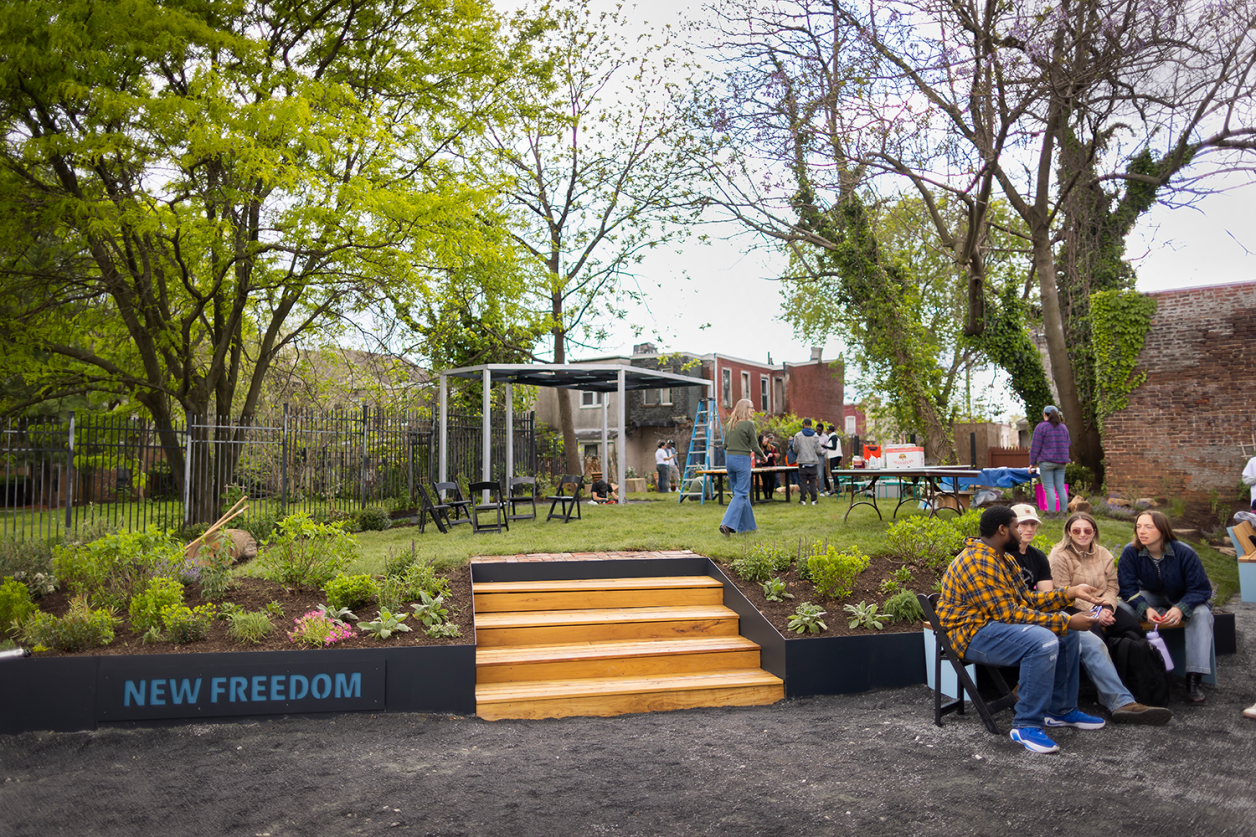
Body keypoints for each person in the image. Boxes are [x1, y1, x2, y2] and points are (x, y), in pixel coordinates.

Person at [936, 505, 1107, 754]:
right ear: (1003, 530)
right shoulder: (978, 562)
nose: (1022, 531)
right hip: (970, 635)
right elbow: (1010, 615)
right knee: (1044, 640)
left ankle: (1060, 711)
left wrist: (1070, 592)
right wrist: (1068, 620)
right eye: (1017, 526)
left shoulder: (1002, 558)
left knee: (1066, 632)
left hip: (992, 626)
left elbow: (1026, 601)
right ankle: (1025, 725)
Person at [1049, 511, 1172, 724]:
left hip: (1104, 605)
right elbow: (1063, 591)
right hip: (1074, 606)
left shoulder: (1103, 553)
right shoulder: (1059, 555)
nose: (1082, 534)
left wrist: (1106, 606)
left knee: (1133, 627)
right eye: (1076, 530)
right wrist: (1096, 611)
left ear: (1094, 532)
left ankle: (1135, 682)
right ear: (1068, 532)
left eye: (1087, 530)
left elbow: (1113, 586)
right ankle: (1104, 694)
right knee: (1094, 632)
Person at [1118, 510, 1215, 704]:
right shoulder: (1131, 551)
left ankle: (1194, 678)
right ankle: (1133, 668)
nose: (1142, 531)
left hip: (1184, 597)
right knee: (1121, 608)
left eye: (1148, 527)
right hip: (1151, 597)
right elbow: (1127, 588)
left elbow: (1202, 589)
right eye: (1138, 526)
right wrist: (1144, 609)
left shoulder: (1184, 552)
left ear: (1162, 530)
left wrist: (1181, 608)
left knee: (1202, 614)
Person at [720, 399, 764, 536]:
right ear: (745, 409)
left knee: (740, 493)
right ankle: (726, 524)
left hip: (729, 460)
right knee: (741, 493)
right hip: (742, 460)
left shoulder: (729, 424)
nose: (753, 410)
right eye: (751, 408)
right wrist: (763, 456)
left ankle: (748, 528)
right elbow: (755, 446)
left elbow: (725, 446)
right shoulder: (749, 424)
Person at [1030, 405, 1071, 516]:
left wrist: (1032, 463)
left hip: (1047, 462)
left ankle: (1051, 513)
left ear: (1045, 414)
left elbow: (1035, 446)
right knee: (1060, 487)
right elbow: (1068, 443)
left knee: (1049, 488)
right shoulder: (1063, 428)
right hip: (1062, 462)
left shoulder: (1041, 427)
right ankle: (1063, 513)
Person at [1008, 503, 1053, 592]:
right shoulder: (1003, 554)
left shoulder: (1039, 556)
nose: (1030, 529)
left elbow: (1047, 593)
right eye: (1024, 523)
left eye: (1033, 524)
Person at [791, 418, 824, 506]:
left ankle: (803, 500)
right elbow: (818, 450)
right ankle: (814, 500)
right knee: (812, 482)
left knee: (803, 482)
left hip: (802, 462)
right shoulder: (816, 436)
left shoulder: (798, 435)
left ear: (804, 424)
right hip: (813, 462)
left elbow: (795, 449)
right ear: (810, 425)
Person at [756, 434, 778, 501]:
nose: (765, 441)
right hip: (762, 468)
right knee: (764, 482)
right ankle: (766, 496)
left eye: (766, 439)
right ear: (760, 441)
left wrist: (773, 455)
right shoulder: (758, 448)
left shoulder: (772, 447)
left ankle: (770, 496)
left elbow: (777, 454)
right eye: (764, 439)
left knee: (772, 481)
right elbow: (756, 458)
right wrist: (759, 462)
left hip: (771, 467)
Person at [824, 424, 842, 495]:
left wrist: (824, 446)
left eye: (827, 430)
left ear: (830, 430)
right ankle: (836, 487)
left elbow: (834, 447)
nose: (826, 431)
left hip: (835, 456)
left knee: (834, 472)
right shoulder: (833, 437)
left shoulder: (834, 437)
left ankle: (836, 488)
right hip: (835, 456)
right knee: (833, 472)